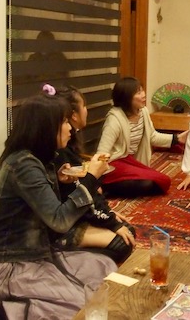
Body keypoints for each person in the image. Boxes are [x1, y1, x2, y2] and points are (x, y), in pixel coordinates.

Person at [0, 93, 117, 320]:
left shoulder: (37, 159)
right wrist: (90, 179)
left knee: (104, 266)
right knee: (79, 308)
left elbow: (48, 212)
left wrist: (61, 182)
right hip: (14, 264)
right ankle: (3, 311)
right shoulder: (24, 165)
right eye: (64, 121)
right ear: (45, 127)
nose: (70, 128)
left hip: (38, 254)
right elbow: (59, 221)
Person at [52, 84, 136, 264]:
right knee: (123, 242)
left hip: (74, 214)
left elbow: (85, 191)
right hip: (63, 225)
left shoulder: (67, 146)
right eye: (64, 122)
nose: (68, 127)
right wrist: (110, 221)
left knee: (128, 232)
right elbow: (77, 196)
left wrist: (108, 213)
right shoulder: (57, 153)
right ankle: (61, 257)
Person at [97, 77, 188, 197]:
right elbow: (102, 153)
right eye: (138, 92)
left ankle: (114, 188)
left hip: (131, 162)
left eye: (142, 90)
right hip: (115, 164)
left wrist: (177, 139)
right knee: (149, 183)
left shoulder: (143, 111)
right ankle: (105, 187)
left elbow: (152, 137)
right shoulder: (114, 119)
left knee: (162, 181)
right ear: (126, 98)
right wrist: (95, 179)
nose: (144, 94)